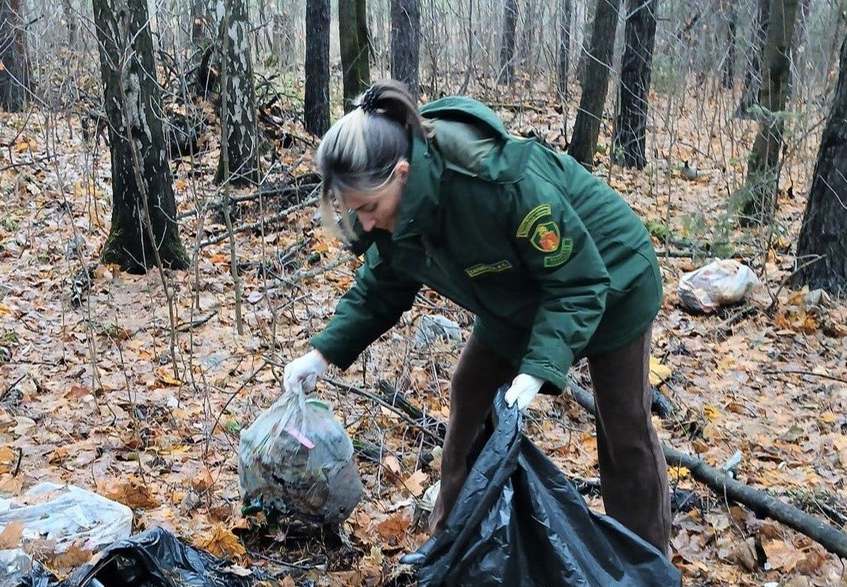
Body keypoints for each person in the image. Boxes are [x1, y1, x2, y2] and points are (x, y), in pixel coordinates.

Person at [281, 80, 671, 553]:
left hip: (613, 280)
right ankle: (451, 549)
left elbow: (579, 282)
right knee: (470, 392)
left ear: (402, 172)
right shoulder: (398, 211)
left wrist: (536, 370)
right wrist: (321, 354)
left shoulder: (493, 180)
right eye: (354, 211)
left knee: (623, 426)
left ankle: (646, 570)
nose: (365, 223)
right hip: (514, 296)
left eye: (369, 208)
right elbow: (381, 287)